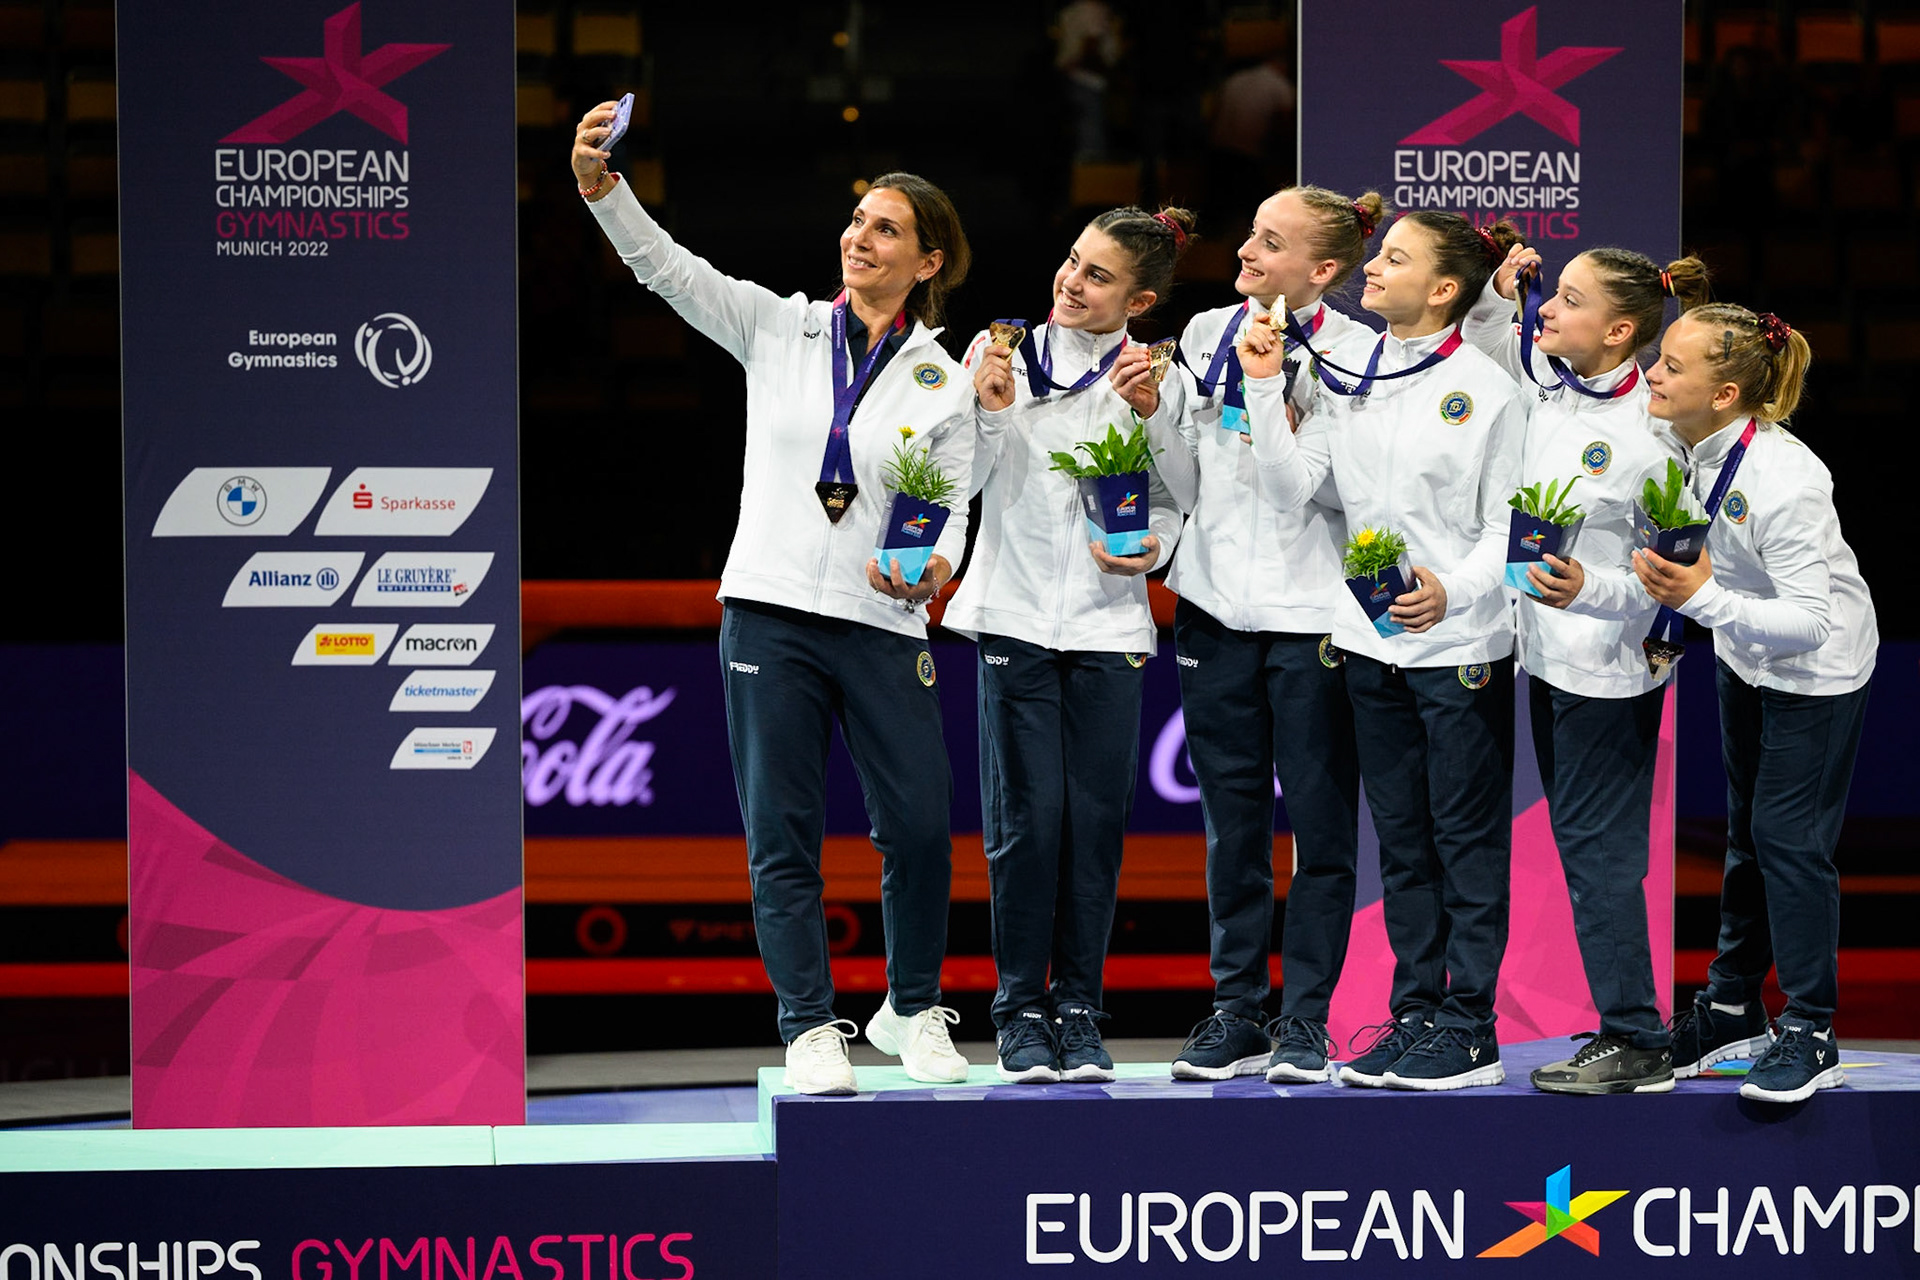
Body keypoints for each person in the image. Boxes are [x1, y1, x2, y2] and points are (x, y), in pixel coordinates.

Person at [571, 103, 977, 1095]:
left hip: (883, 623)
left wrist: (935, 565)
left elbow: (953, 509)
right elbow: (669, 269)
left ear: (927, 263)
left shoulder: (945, 380)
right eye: (856, 222)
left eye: (886, 228)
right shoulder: (781, 326)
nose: (859, 237)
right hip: (768, 611)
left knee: (920, 824)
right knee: (782, 830)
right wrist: (604, 190)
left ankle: (912, 1006)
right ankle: (808, 1026)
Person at [1241, 212, 1526, 1090]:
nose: (1373, 268)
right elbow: (1296, 489)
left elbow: (1504, 526)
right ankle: (1414, 1017)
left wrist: (1456, 591)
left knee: (1463, 839)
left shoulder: (1491, 388)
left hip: (1461, 645)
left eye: (1395, 259)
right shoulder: (1348, 366)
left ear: (1444, 290)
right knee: (1401, 840)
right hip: (1367, 642)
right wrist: (1261, 386)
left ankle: (1469, 1026)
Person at [1460, 243, 1711, 1095]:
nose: (1548, 311)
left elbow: (1670, 578)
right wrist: (1500, 295)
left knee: (1599, 854)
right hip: (1541, 657)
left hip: (1606, 669)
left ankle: (1636, 1039)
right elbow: (1494, 349)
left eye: (1568, 302)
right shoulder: (1548, 386)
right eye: (1552, 295)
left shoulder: (1653, 435)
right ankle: (1629, 1028)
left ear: (1622, 330)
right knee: (1582, 849)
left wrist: (1587, 590)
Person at [1149, 187, 1385, 1084]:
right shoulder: (1207, 332)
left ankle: (1305, 1021)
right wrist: (1149, 417)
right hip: (1213, 610)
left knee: (1321, 831)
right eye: (1248, 231)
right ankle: (1236, 1012)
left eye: (1270, 241)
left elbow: (1338, 493)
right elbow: (1188, 471)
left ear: (1322, 270)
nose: (1246, 250)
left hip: (1313, 619)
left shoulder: (1363, 356)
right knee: (1232, 828)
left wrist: (1273, 399)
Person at [952, 206, 1191, 1083]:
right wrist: (986, 408)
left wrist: (1149, 547)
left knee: (1093, 827)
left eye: (1097, 276)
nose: (1071, 281)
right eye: (1071, 261)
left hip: (1108, 627)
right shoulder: (1002, 356)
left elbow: (1176, 500)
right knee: (1027, 825)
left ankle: (1081, 1008)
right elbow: (955, 485)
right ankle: (1018, 1010)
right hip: (1013, 620)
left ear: (1141, 298)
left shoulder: (1156, 376)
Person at [1633, 304, 1877, 1104]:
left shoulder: (1786, 479)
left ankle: (1810, 1026)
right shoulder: (1681, 446)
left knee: (1787, 840)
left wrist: (1700, 601)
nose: (1655, 372)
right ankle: (1733, 1006)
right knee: (1746, 835)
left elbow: (1808, 622)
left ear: (1728, 391)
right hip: (1743, 654)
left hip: (1816, 667)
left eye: (1673, 363)